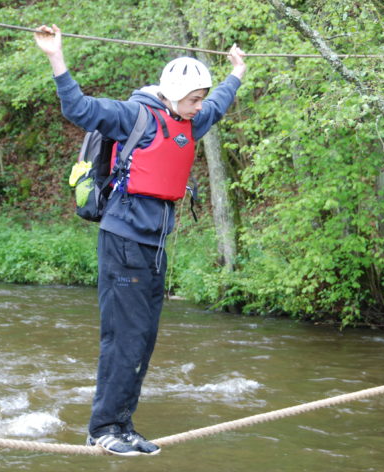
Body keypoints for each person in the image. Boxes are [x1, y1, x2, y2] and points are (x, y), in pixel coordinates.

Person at [34, 24, 246, 456]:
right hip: (124, 240)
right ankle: (103, 429)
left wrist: (237, 72)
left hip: (154, 247)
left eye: (200, 98)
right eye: (193, 98)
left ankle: (123, 425)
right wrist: (55, 56)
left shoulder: (188, 119)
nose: (199, 106)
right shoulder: (135, 115)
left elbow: (220, 104)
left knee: (143, 339)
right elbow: (78, 108)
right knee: (124, 338)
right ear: (171, 93)